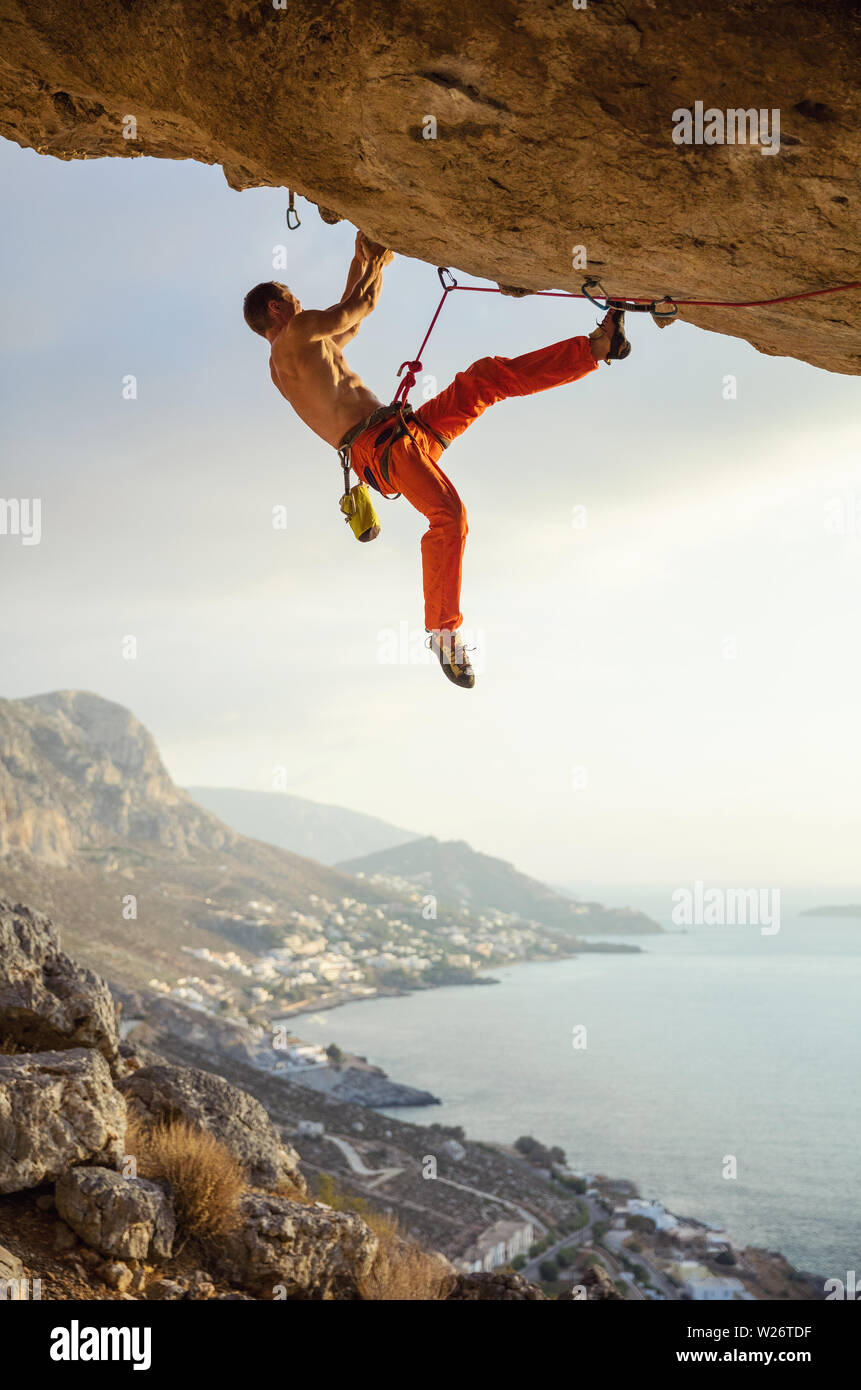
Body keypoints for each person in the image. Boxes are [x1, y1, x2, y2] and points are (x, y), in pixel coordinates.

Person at [244, 231, 630, 688]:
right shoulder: (298, 330)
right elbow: (358, 308)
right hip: (386, 447)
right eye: (292, 297)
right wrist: (376, 255)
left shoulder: (289, 357)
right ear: (277, 308)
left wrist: (366, 255)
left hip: (397, 438)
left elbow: (351, 321)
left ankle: (598, 348)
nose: (299, 300)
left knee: (483, 380)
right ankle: (443, 632)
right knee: (449, 516)